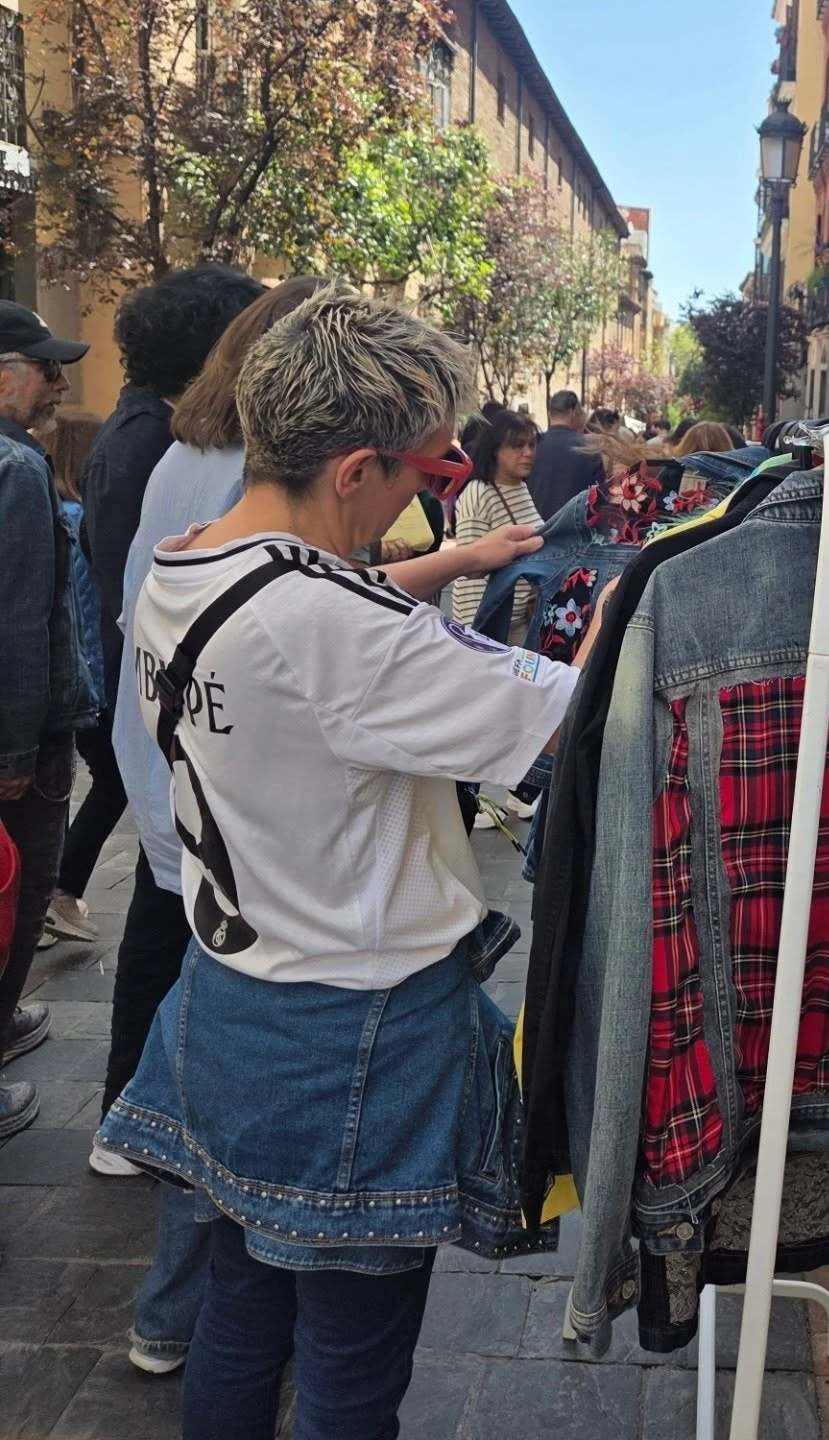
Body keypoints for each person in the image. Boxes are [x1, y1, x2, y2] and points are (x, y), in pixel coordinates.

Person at [95, 290, 590, 1439]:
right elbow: (581, 716)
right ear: (358, 466)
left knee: (240, 1310)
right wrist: (621, 616)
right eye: (422, 473)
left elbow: (322, 616)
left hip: (233, 996)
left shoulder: (188, 563)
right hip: (354, 1026)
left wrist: (447, 563)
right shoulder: (341, 630)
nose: (424, 502)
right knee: (351, 1374)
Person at [51, 266, 263, 960]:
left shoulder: (159, 434)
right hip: (165, 704)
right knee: (161, 930)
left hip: (161, 706)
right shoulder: (156, 443)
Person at [0, 302, 95, 1139]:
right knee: (21, 891)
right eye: (45, 367)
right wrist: (21, 749)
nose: (60, 382)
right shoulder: (18, 467)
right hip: (20, 738)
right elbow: (22, 617)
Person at [36, 412, 105, 946]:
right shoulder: (77, 519)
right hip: (87, 681)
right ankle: (55, 891)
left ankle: (48, 893)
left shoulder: (56, 512)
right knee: (112, 782)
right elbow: (84, 611)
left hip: (66, 682)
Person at [451, 408, 542, 640]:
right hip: (491, 628)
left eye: (531, 445)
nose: (528, 453)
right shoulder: (479, 493)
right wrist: (478, 635)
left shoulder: (520, 487)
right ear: (495, 451)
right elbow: (470, 568)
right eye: (517, 446)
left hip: (520, 620)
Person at [528, 388, 604, 520]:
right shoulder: (588, 448)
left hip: (534, 528)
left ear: (550, 413)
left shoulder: (531, 445)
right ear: (573, 412)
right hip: (573, 531)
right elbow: (598, 500)